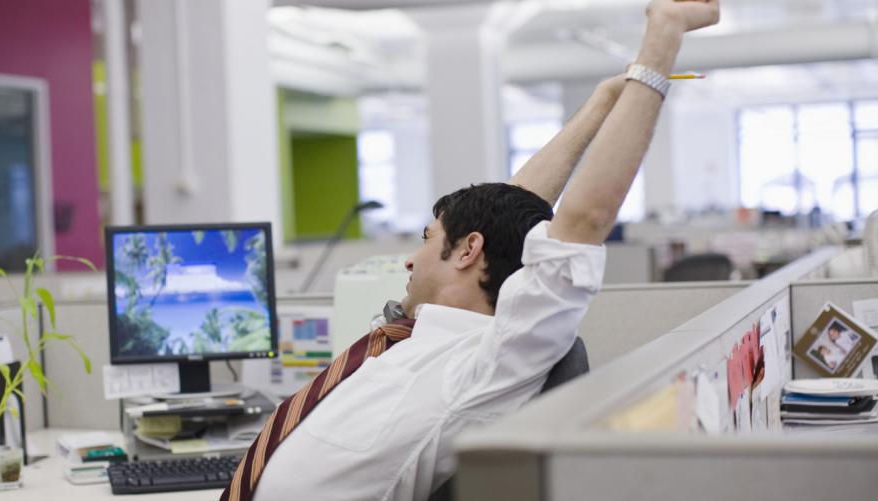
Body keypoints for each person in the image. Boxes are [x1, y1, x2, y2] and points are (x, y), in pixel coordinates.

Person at [223, 1, 721, 500]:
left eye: (427, 241)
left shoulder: (490, 361)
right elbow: (504, 213)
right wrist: (598, 105)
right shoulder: (411, 337)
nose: (410, 260)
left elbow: (585, 219)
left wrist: (661, 38)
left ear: (467, 252)